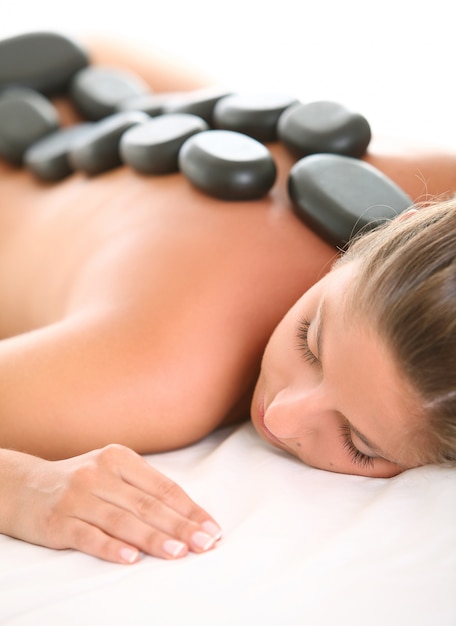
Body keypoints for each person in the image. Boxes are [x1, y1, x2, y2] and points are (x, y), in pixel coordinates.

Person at [0, 36, 455, 565]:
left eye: (358, 442)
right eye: (310, 341)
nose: (282, 418)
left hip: (96, 66)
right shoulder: (164, 369)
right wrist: (20, 487)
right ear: (388, 229)